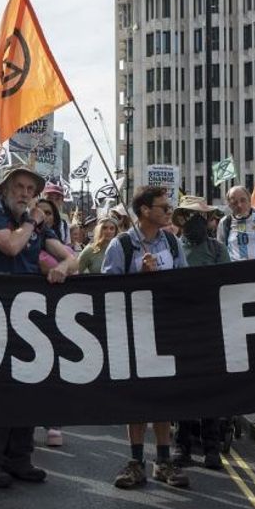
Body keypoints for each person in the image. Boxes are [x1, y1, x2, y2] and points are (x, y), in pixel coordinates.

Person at [0, 166, 77, 489]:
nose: (26, 193)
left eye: (31, 188)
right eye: (19, 187)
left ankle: (19, 457)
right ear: (5, 189)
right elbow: (12, 247)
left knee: (28, 384)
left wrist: (60, 267)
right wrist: (32, 222)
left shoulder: (38, 226)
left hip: (26, 316)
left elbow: (72, 258)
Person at [104, 185, 190, 490]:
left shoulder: (171, 242)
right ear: (144, 211)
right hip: (134, 332)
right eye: (163, 208)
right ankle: (136, 461)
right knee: (138, 398)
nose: (169, 212)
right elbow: (106, 292)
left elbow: (184, 279)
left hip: (165, 329)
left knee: (164, 397)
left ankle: (164, 461)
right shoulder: (122, 246)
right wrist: (137, 277)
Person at [169, 195, 229, 470]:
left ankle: (212, 447)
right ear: (182, 219)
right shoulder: (171, 248)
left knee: (211, 390)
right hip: (181, 327)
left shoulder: (217, 250)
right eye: (191, 217)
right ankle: (181, 445)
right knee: (183, 391)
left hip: (211, 326)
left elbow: (228, 283)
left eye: (200, 217)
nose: (196, 222)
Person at [215, 186, 255, 261]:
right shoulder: (224, 223)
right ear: (229, 205)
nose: (239, 205)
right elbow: (221, 253)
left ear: (249, 200)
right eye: (234, 203)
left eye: (243, 200)